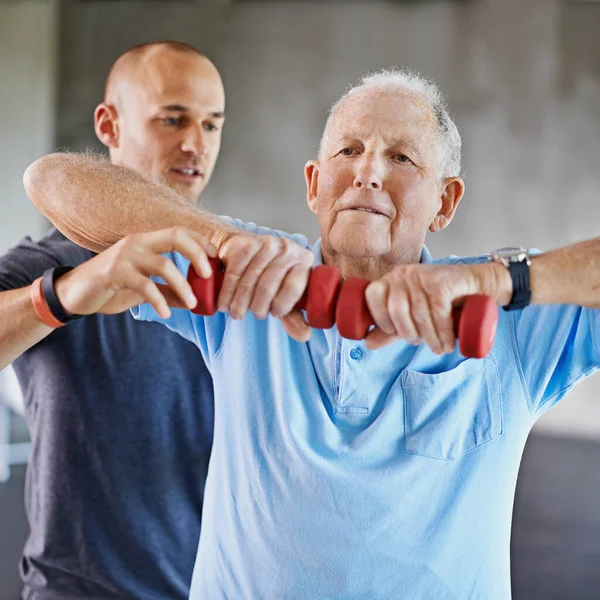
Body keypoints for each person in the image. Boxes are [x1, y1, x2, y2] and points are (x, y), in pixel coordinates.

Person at [24, 67, 600, 599]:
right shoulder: (246, 276)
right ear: (315, 183)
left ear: (444, 201)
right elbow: (51, 179)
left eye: (401, 158)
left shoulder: (514, 315)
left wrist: (501, 279)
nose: (368, 172)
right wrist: (220, 239)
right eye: (349, 150)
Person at [0, 40, 225, 599]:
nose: (195, 144)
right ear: (109, 125)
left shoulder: (232, 272)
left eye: (212, 124)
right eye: (172, 119)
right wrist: (72, 291)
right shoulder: (52, 262)